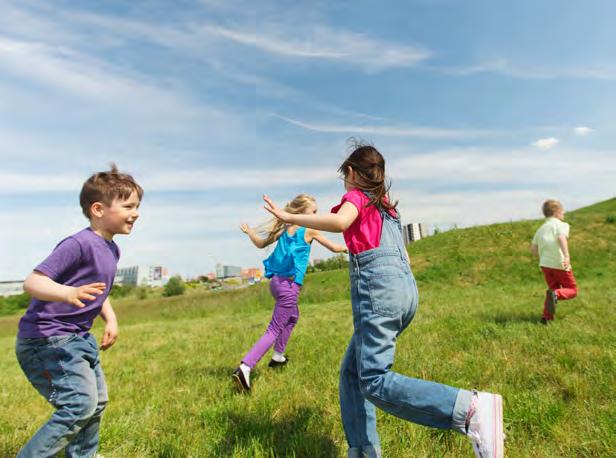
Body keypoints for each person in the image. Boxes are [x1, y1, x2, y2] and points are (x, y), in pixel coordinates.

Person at [263, 144, 504, 458]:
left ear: (351, 173)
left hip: (378, 294)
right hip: (404, 293)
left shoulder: (356, 197)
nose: (344, 185)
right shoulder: (387, 207)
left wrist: (287, 215)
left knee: (374, 379)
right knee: (352, 374)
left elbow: (340, 223)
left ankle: (469, 408)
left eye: (344, 178)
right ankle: (363, 450)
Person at [15, 164, 143, 457]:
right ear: (98, 209)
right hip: (47, 340)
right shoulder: (78, 244)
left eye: (137, 206)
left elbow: (98, 290)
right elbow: (33, 282)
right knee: (78, 405)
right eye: (128, 206)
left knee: (95, 403)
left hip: (77, 338)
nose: (136, 213)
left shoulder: (111, 249)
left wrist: (109, 317)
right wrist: (67, 292)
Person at [233, 194, 347, 392]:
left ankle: (278, 357)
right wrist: (352, 247)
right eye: (313, 212)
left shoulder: (285, 228)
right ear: (303, 212)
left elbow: (260, 243)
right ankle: (245, 367)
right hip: (289, 287)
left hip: (276, 284)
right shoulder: (310, 229)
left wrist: (250, 232)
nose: (316, 216)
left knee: (293, 317)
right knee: (274, 329)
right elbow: (335, 247)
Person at [530, 199, 577, 324]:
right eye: (562, 211)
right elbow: (561, 238)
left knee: (552, 290)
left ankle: (546, 318)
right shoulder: (561, 225)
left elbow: (533, 249)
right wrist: (566, 256)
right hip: (559, 263)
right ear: (556, 212)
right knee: (572, 290)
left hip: (545, 265)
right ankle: (555, 295)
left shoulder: (540, 229)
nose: (563, 214)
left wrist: (542, 259)